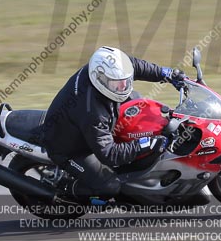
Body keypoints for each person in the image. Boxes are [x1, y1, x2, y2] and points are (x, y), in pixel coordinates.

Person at [40, 46, 186, 204]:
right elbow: (109, 154)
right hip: (71, 149)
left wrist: (167, 73)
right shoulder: (92, 111)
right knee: (109, 187)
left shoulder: (107, 69)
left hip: (85, 124)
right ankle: (68, 191)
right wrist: (147, 144)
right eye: (117, 84)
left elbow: (134, 65)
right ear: (100, 80)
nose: (123, 86)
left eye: (125, 81)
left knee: (142, 107)